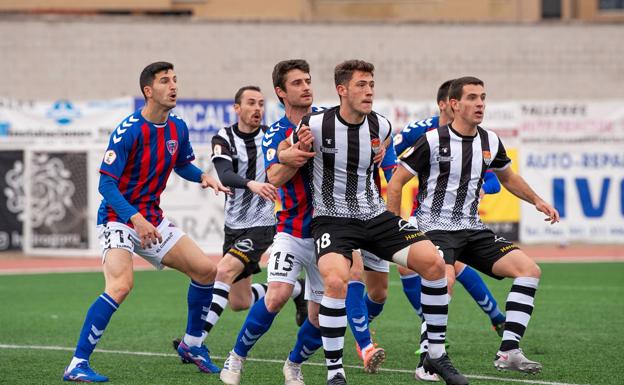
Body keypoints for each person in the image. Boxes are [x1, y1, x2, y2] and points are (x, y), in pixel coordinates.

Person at [293, 60, 468, 385]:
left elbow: (385, 160)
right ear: (341, 90)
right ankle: (335, 374)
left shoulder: (382, 126)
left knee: (434, 264)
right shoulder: (314, 125)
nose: (369, 90)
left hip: (375, 216)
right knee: (335, 281)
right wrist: (293, 150)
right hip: (333, 219)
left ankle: (436, 354)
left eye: (371, 84)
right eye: (361, 84)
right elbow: (287, 159)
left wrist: (383, 157)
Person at [62, 61, 229, 382]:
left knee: (206, 271)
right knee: (121, 285)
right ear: (148, 91)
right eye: (165, 81)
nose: (174, 86)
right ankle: (77, 364)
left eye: (176, 80)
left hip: (151, 219)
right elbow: (105, 185)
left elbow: (182, 165)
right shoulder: (129, 130)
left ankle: (193, 345)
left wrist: (203, 177)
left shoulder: (177, 127)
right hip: (118, 218)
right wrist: (135, 219)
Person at [388, 76, 559, 375]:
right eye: (472, 98)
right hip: (435, 227)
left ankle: (509, 351)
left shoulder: (490, 140)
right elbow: (396, 182)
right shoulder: (431, 140)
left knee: (529, 271)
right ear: (454, 104)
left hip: (473, 229)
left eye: (483, 97)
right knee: (444, 279)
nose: (480, 103)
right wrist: (391, 230)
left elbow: (508, 177)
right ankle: (427, 360)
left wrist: (537, 201)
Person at [173, 86, 308, 363]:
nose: (257, 108)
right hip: (234, 225)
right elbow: (224, 174)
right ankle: (298, 289)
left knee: (221, 272)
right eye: (250, 103)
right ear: (237, 108)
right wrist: (252, 184)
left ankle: (194, 342)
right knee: (240, 301)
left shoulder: (272, 136)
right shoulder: (223, 137)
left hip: (263, 222)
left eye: (260, 103)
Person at [393, 80, 507, 381]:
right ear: (446, 104)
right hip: (422, 217)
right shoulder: (424, 133)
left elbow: (495, 179)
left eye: (480, 98)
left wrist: (479, 185)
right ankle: (431, 334)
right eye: (467, 98)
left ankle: (429, 350)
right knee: (395, 282)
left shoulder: (479, 139)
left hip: (456, 223)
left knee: (451, 273)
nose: (474, 105)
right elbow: (389, 157)